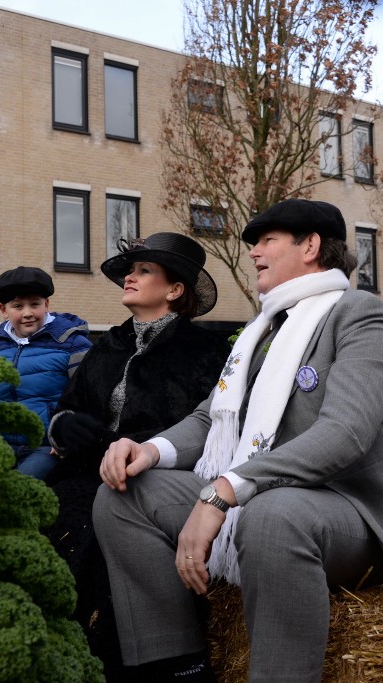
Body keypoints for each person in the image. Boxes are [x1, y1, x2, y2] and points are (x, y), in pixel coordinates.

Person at [93, 199, 383, 682]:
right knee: (126, 493)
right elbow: (210, 418)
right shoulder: (264, 329)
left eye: (266, 240)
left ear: (312, 246)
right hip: (263, 496)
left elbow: (345, 434)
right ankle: (178, 666)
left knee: (274, 516)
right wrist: (149, 450)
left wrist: (224, 491)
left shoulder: (362, 316)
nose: (253, 251)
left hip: (350, 512)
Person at [45, 232, 232, 681]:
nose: (130, 276)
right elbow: (68, 407)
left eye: (144, 270)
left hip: (150, 482)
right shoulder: (106, 346)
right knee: (50, 516)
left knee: (98, 527)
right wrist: (66, 424)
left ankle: (131, 660)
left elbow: (207, 430)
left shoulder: (206, 354)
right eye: (131, 269)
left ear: (174, 290)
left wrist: (137, 447)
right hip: (84, 473)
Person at [0, 265, 92, 480]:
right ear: (3, 310)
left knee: (20, 488)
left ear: (46, 304)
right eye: (18, 306)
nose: (27, 313)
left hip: (46, 446)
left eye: (35, 304)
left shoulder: (73, 344)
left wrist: (66, 436)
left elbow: (90, 397)